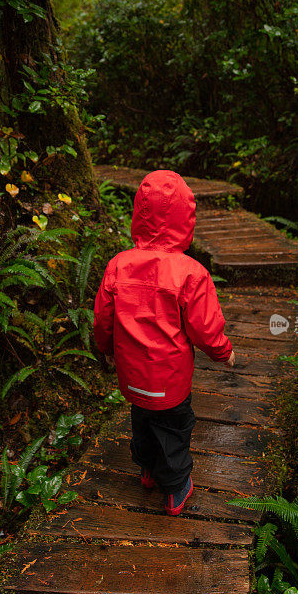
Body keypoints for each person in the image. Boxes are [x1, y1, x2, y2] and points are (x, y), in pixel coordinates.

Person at [93, 170, 235, 516]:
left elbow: (103, 320)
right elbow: (205, 327)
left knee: (141, 418)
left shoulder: (118, 266)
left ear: (139, 213)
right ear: (186, 219)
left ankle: (145, 470)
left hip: (132, 376)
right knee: (174, 429)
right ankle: (174, 489)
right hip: (169, 380)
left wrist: (107, 350)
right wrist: (223, 352)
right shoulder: (190, 272)